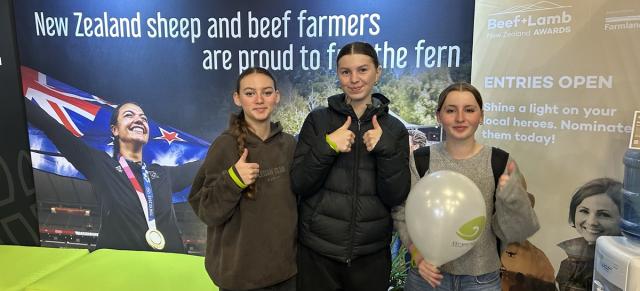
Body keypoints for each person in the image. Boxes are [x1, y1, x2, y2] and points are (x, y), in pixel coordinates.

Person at [392, 82, 539, 291]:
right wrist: (418, 256)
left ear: (481, 116)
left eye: (469, 110)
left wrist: (512, 200)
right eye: (451, 110)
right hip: (427, 277)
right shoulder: (420, 160)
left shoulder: (500, 162)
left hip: (481, 280)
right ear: (438, 116)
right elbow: (402, 213)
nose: (460, 118)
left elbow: (516, 230)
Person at [291, 41, 411, 291]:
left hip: (371, 255)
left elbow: (395, 195)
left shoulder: (394, 130)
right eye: (346, 72)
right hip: (318, 252)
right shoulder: (318, 120)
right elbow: (300, 182)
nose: (354, 79)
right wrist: (327, 147)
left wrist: (385, 149)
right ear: (338, 75)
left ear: (378, 72)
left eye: (363, 70)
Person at [25, 100, 200, 253]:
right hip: (119, 272)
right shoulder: (101, 165)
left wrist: (228, 141)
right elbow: (53, 128)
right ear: (115, 130)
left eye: (144, 118)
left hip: (169, 271)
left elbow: (208, 165)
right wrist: (12, 87)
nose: (139, 119)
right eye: (129, 115)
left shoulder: (162, 174)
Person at [189, 67, 297, 291]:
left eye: (266, 92)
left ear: (277, 97)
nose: (259, 99)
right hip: (239, 279)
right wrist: (233, 180)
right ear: (237, 98)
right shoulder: (224, 146)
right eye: (249, 93)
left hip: (286, 274)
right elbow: (207, 211)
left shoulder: (289, 145)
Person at [556, 178, 622, 291]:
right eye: (584, 211)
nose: (591, 222)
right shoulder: (573, 258)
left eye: (604, 215)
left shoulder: (623, 265)